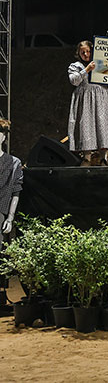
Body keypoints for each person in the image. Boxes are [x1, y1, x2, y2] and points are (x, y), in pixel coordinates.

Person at [67, 40, 108, 161]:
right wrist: (86, 70)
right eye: (83, 52)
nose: (86, 54)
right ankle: (87, 158)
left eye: (88, 51)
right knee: (86, 127)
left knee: (103, 126)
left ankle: (103, 158)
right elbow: (74, 81)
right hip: (85, 100)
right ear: (78, 53)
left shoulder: (102, 63)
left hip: (102, 99)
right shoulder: (76, 66)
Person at [0, 118, 23, 312]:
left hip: (1, 212)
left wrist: (9, 217)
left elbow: (16, 191)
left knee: (2, 254)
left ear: (3, 137)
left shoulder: (13, 163)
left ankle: (2, 296)